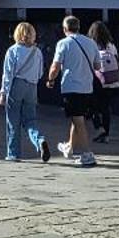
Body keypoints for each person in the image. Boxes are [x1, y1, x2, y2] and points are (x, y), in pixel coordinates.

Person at [46, 15, 101, 166]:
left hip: (71, 87)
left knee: (78, 121)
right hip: (87, 88)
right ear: (79, 27)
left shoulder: (63, 43)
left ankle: (86, 154)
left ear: (65, 29)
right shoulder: (90, 42)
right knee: (78, 118)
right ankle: (69, 147)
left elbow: (55, 66)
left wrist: (50, 80)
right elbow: (97, 66)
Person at [0, 22, 51, 163]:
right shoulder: (37, 52)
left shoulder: (13, 50)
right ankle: (39, 141)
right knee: (30, 120)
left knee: (13, 121)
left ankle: (13, 154)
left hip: (17, 85)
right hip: (32, 87)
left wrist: (3, 92)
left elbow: (7, 74)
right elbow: (40, 73)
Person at [87, 20, 119, 144]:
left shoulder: (91, 45)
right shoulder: (111, 45)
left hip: (97, 81)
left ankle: (99, 127)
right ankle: (106, 135)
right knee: (106, 108)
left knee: (92, 105)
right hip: (111, 81)